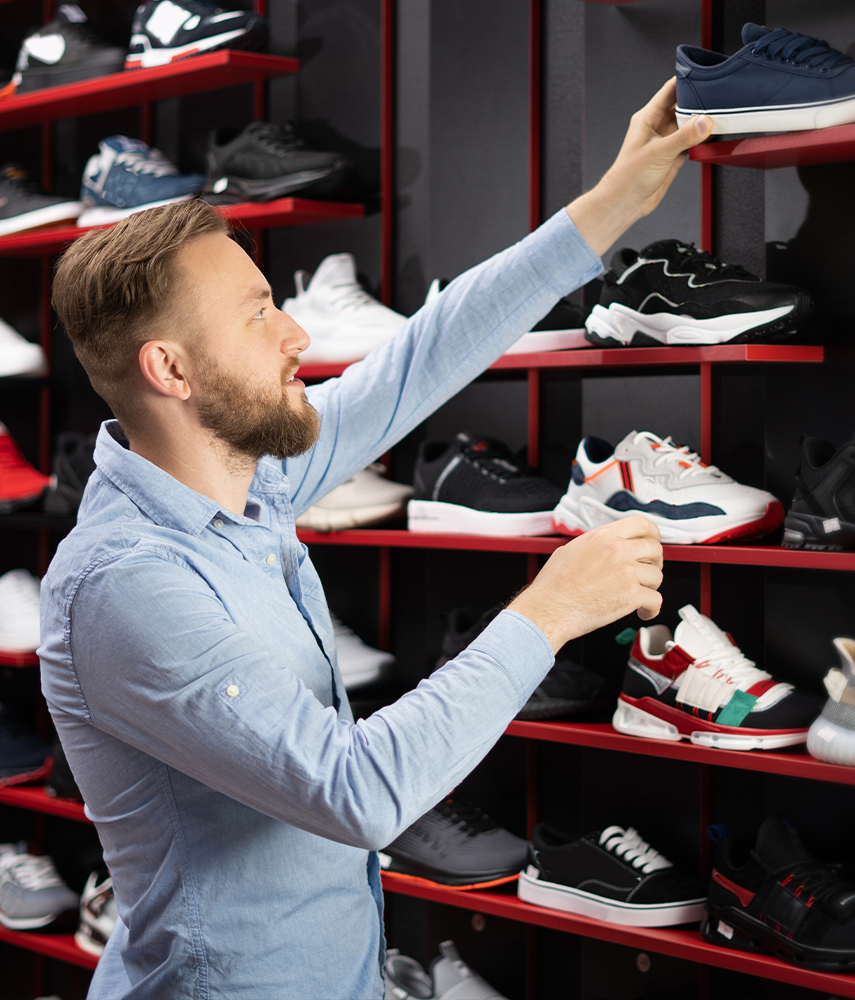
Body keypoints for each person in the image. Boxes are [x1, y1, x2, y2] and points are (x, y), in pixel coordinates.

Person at [40, 81, 712, 998]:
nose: (296, 334)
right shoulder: (126, 584)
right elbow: (357, 794)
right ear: (171, 369)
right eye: (257, 314)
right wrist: (552, 610)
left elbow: (419, 357)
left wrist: (610, 206)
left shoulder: (249, 481)